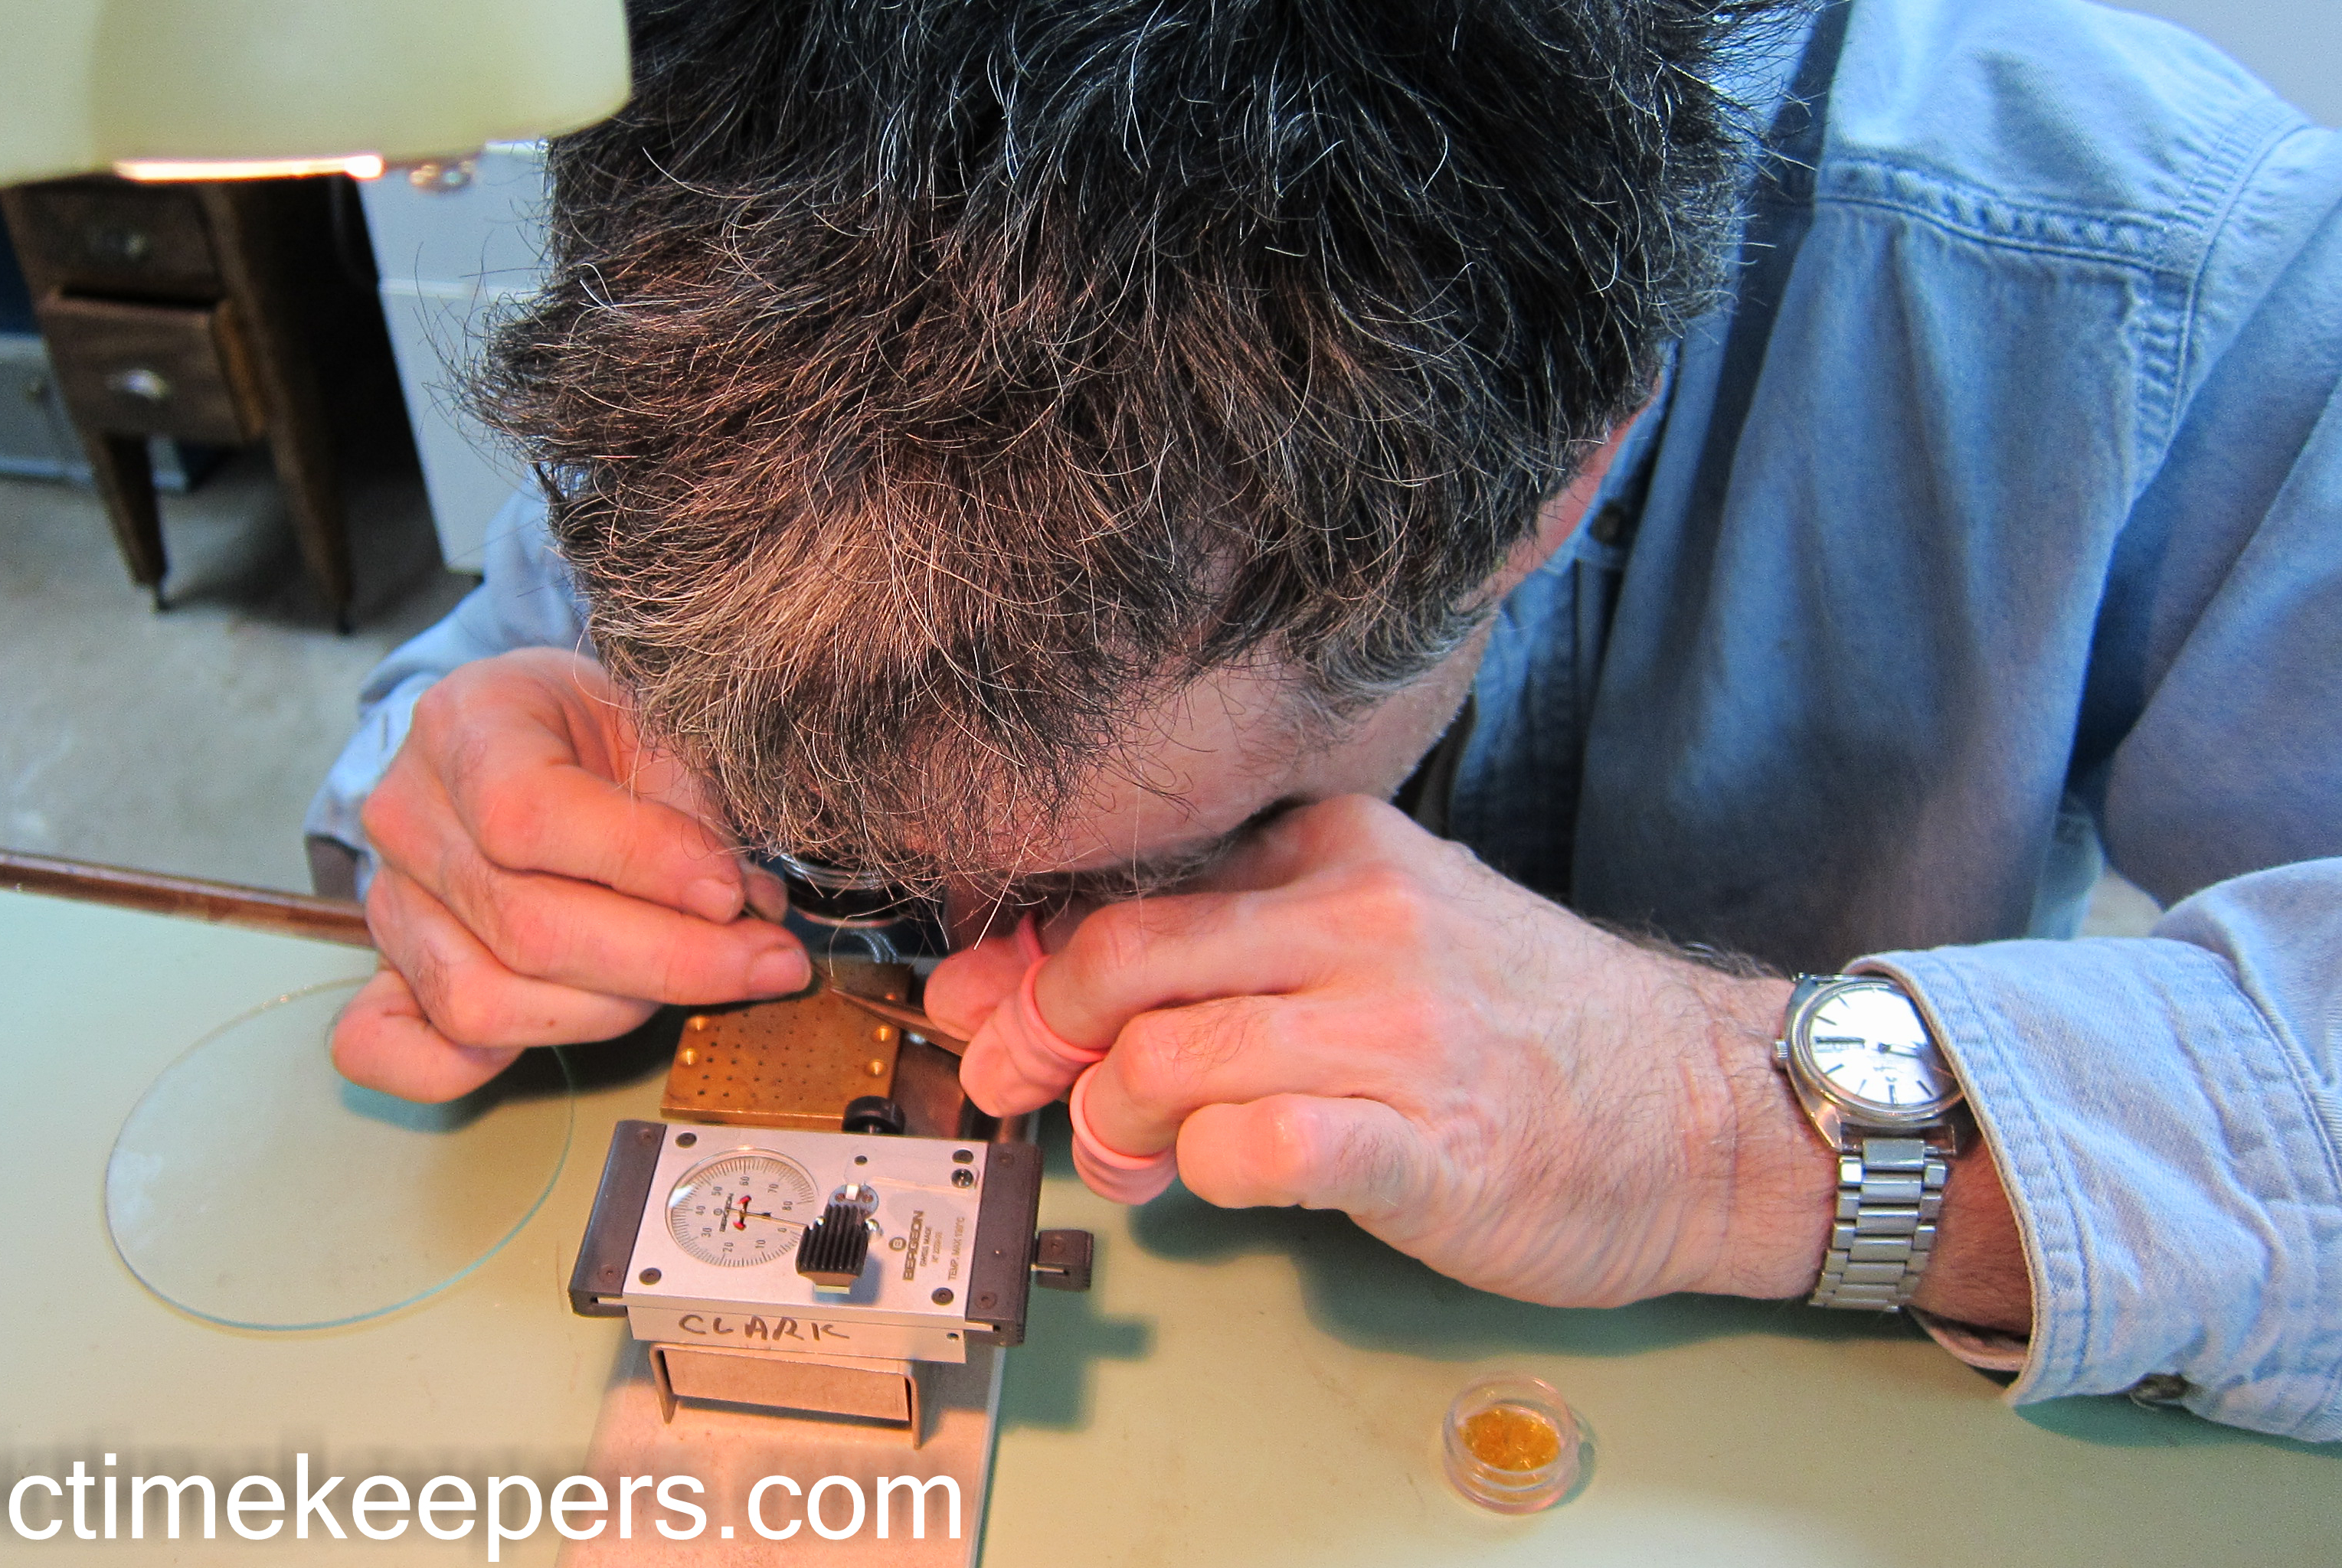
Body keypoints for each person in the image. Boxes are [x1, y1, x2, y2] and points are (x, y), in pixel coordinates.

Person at [307, 0, 2340, 1441]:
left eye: (1134, 853)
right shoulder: (759, 210)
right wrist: (473, 787)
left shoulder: (2156, 273)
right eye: (836, 822)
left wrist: (1734, 1125)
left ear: (1570, 472)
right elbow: (474, 693)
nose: (981, 963)